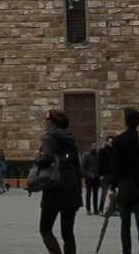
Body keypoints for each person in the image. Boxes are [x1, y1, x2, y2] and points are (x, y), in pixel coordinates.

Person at [33, 107, 85, 254]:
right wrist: (78, 195)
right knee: (68, 231)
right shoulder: (70, 139)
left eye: (47, 119)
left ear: (54, 121)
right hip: (72, 189)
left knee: (45, 229)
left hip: (54, 188)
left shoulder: (48, 137)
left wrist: (38, 159)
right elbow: (76, 168)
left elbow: (46, 158)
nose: (44, 121)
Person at [107, 107, 139, 254]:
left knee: (125, 224)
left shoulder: (118, 140)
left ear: (125, 122)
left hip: (125, 186)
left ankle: (126, 251)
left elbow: (116, 166)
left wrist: (113, 187)